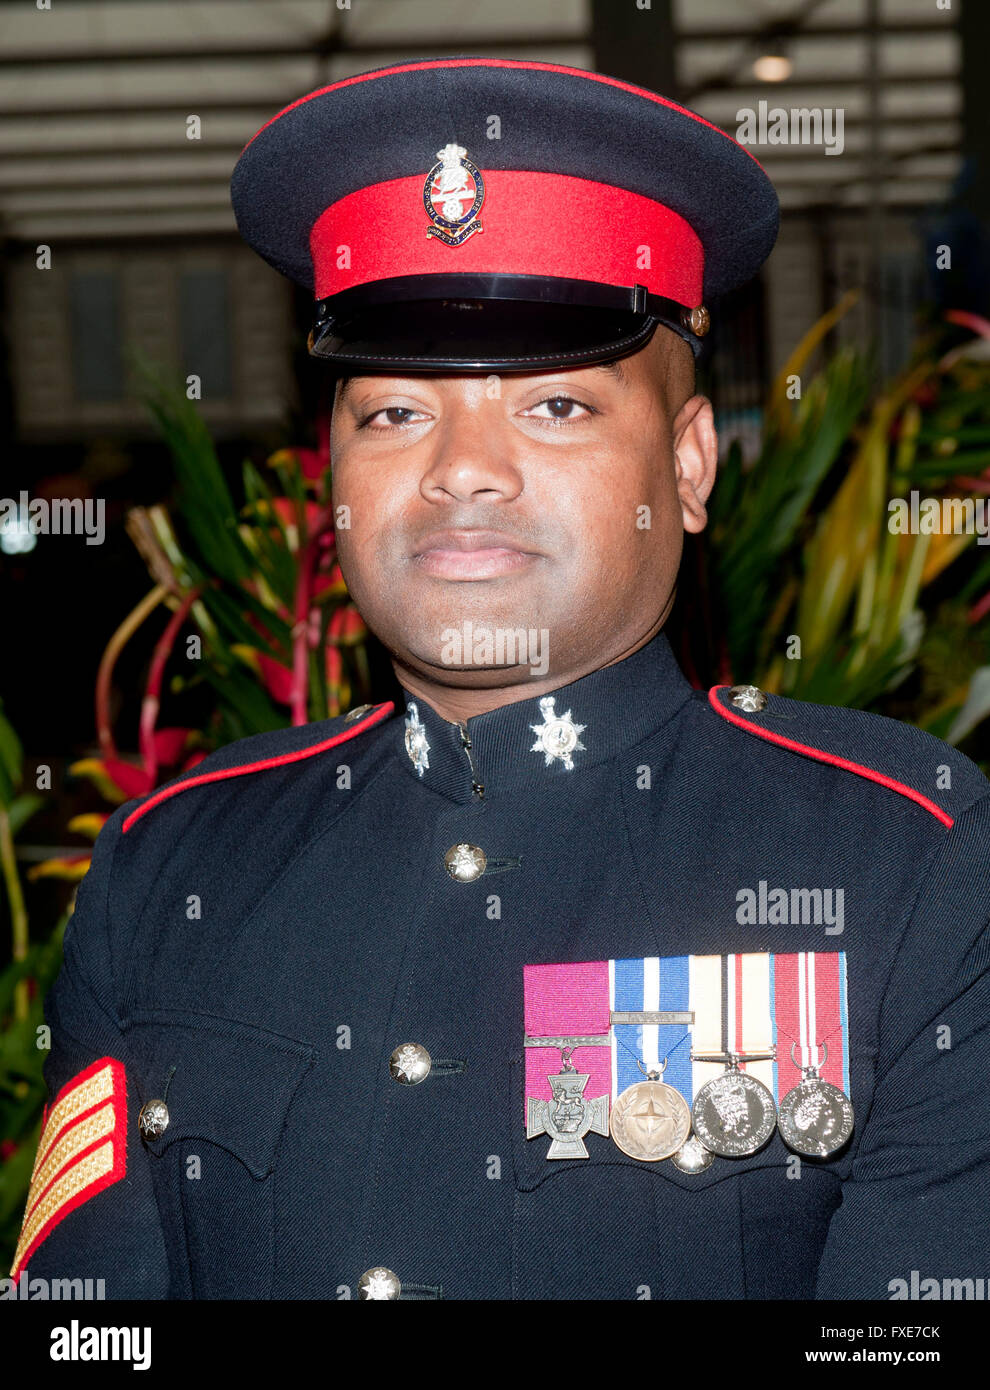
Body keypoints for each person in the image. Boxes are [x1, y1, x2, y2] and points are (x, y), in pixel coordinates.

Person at [8, 57, 990, 1302]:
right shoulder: (170, 864)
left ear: (690, 467)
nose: (465, 470)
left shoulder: (910, 866)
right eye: (395, 414)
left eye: (559, 407)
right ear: (331, 474)